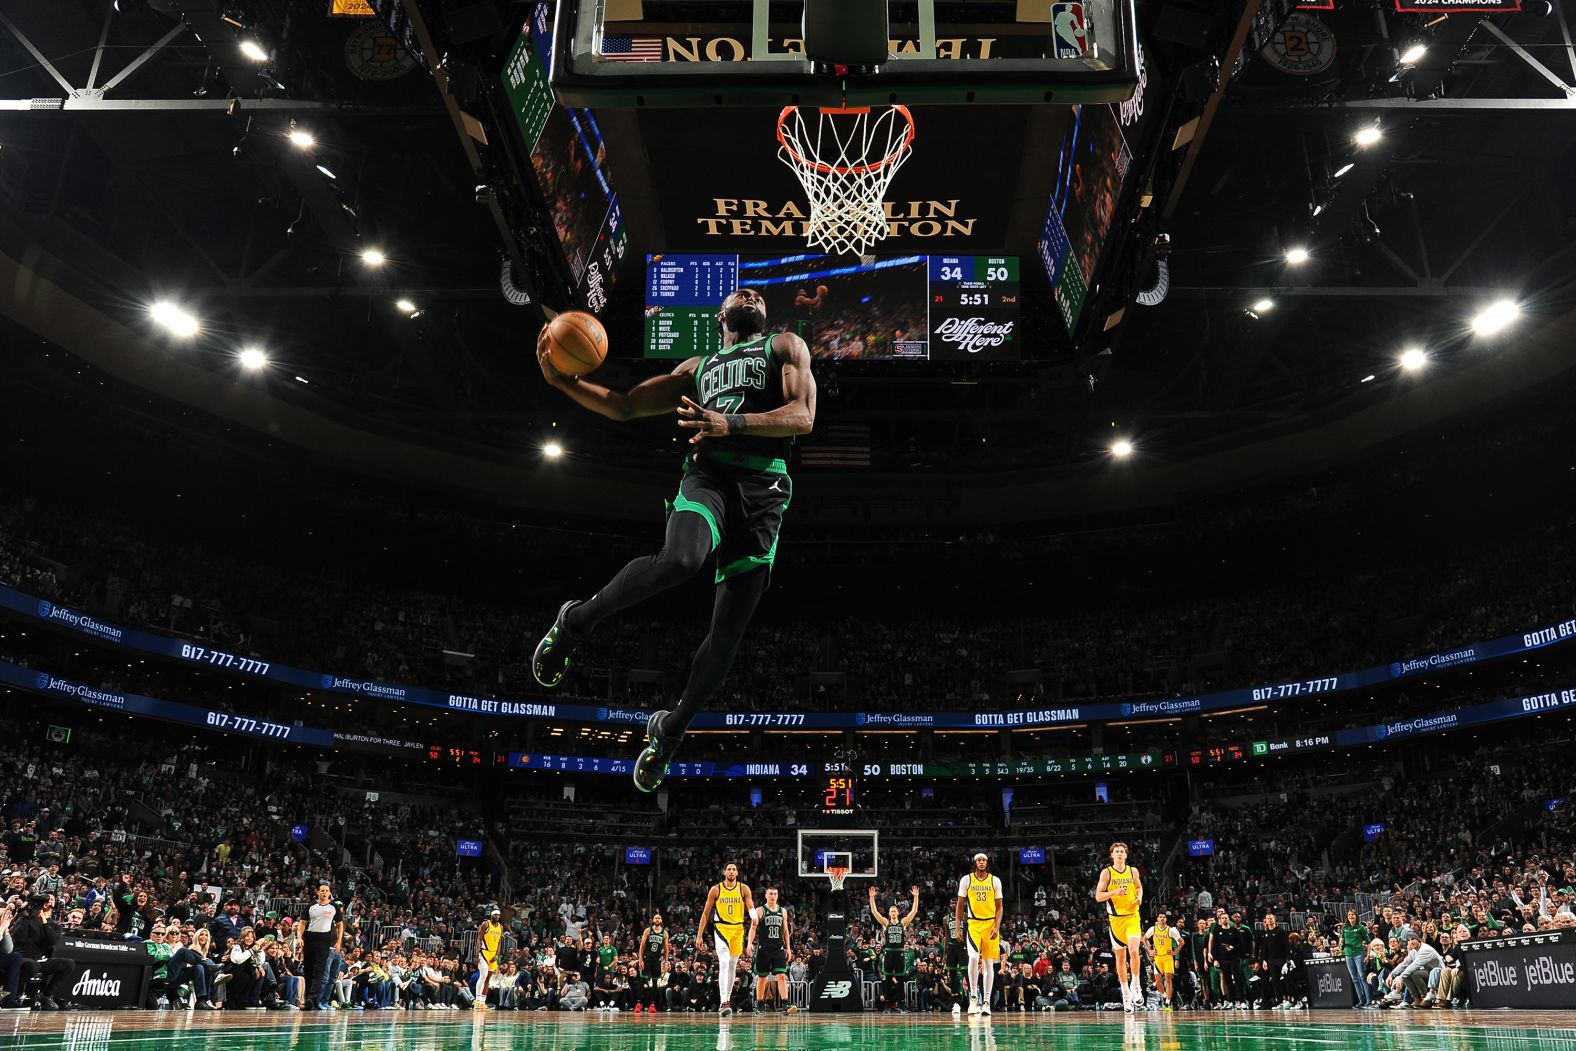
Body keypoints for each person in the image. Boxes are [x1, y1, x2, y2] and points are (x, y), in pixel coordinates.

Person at [531, 287, 817, 791]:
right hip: (709, 477)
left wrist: (731, 422)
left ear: (765, 315)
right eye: (739, 293)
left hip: (765, 488)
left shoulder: (785, 346)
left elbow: (803, 416)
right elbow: (623, 407)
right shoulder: (697, 367)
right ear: (720, 315)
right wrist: (562, 382)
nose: (749, 294)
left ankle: (672, 728)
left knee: (727, 635)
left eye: (757, 295)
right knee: (683, 559)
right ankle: (576, 621)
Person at [697, 863, 756, 1017]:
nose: (731, 871)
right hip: (722, 927)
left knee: (732, 965)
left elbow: (750, 906)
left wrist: (754, 916)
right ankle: (724, 1001)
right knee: (723, 961)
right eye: (728, 869)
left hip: (738, 929)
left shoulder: (744, 888)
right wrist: (699, 935)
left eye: (734, 869)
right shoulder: (716, 889)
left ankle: (727, 999)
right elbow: (705, 913)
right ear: (724, 872)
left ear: (737, 872)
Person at [1095, 842, 1144, 1012]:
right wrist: (1114, 892)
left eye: (1122, 851)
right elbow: (1098, 896)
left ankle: (1136, 985)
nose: (1120, 854)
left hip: (1132, 917)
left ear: (1126, 855)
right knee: (1121, 959)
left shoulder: (1133, 871)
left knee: (1133, 951)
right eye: (1117, 851)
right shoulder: (1107, 873)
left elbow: (1139, 887)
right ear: (1112, 855)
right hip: (1116, 920)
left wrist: (1139, 897)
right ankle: (1126, 994)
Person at [954, 852, 1004, 1017]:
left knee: (989, 965)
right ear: (975, 863)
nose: (982, 862)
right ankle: (974, 997)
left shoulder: (994, 880)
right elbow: (960, 905)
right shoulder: (966, 880)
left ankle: (987, 1002)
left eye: (984, 860)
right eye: (979, 860)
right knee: (974, 958)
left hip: (990, 924)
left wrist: (997, 927)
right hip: (974, 924)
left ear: (987, 863)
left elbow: (1000, 907)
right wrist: (958, 928)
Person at [746, 887, 796, 1015]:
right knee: (762, 977)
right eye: (771, 894)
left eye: (775, 894)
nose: (773, 896)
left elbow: (785, 931)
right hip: (764, 948)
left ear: (777, 896)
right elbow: (753, 928)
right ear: (766, 896)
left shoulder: (783, 911)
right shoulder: (760, 910)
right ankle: (760, 1003)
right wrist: (749, 943)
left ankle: (786, 1003)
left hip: (778, 948)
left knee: (781, 976)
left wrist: (788, 949)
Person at [869, 884, 919, 1008]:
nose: (893, 912)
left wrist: (916, 897)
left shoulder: (903, 923)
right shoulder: (886, 923)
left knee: (900, 979)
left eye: (894, 911)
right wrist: (871, 898)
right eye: (891, 911)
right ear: (889, 913)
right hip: (889, 951)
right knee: (887, 979)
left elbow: (914, 911)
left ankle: (901, 1005)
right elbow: (874, 912)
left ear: (898, 912)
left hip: (900, 952)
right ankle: (887, 1004)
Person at [1142, 911, 1180, 1011]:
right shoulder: (1153, 929)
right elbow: (1144, 939)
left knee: (1168, 979)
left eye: (1164, 917)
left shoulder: (1170, 930)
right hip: (1158, 958)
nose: (1162, 918)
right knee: (1158, 981)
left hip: (1167, 957)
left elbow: (1181, 942)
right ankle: (1164, 996)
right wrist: (1150, 950)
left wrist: (1174, 952)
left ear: (1166, 919)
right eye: (1160, 917)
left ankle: (1167, 1002)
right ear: (1157, 919)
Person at [636, 912, 671, 1014]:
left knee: (655, 982)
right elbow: (642, 946)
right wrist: (640, 959)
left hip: (657, 959)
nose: (657, 919)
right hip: (647, 958)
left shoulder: (664, 933)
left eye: (659, 918)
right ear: (653, 920)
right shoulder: (648, 930)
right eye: (655, 918)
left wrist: (665, 961)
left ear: (661, 921)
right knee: (642, 981)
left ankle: (652, 1004)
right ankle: (638, 1004)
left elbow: (666, 948)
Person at [475, 908, 503, 1010]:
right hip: (484, 952)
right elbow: (479, 939)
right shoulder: (486, 924)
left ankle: (482, 1002)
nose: (497, 917)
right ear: (491, 916)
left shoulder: (501, 927)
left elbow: (499, 942)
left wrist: (497, 954)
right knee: (483, 975)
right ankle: (477, 1001)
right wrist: (477, 954)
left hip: (493, 954)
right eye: (495, 915)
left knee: (488, 978)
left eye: (498, 915)